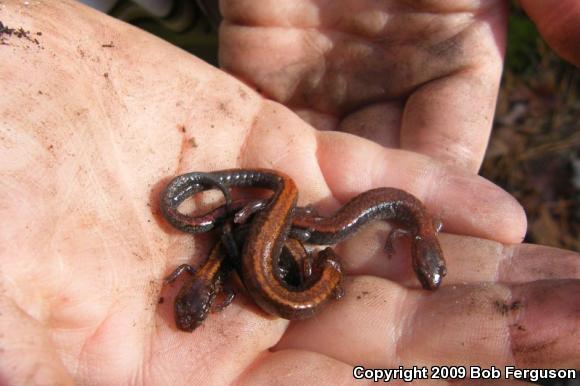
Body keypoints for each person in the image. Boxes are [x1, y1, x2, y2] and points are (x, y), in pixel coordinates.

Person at [0, 1, 577, 384]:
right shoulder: (407, 220)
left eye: (427, 270)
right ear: (424, 245)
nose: (426, 270)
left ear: (429, 246)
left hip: (292, 237)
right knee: (256, 234)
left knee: (255, 234)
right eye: (427, 267)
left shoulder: (401, 223)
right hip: (287, 236)